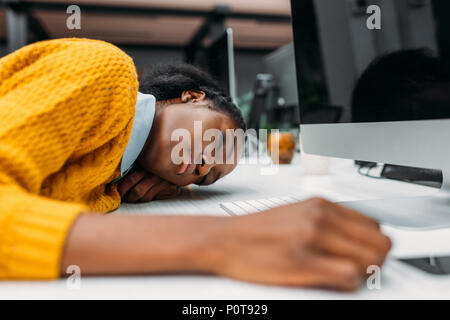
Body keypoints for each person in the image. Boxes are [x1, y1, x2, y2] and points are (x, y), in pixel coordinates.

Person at [0, 38, 390, 290]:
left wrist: (164, 180)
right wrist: (223, 240)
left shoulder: (110, 175)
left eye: (209, 176)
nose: (204, 165)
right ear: (190, 97)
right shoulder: (105, 72)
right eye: (216, 141)